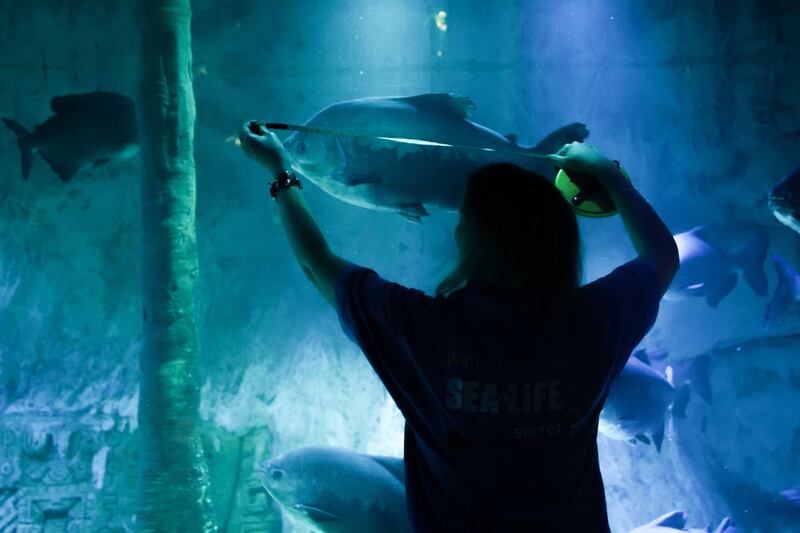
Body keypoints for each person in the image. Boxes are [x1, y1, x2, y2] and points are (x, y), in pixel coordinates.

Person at [238, 121, 679, 532]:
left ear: (469, 240)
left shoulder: (420, 329)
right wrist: (611, 177)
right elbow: (663, 255)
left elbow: (318, 264)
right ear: (562, 240)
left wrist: (281, 172)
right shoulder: (596, 321)